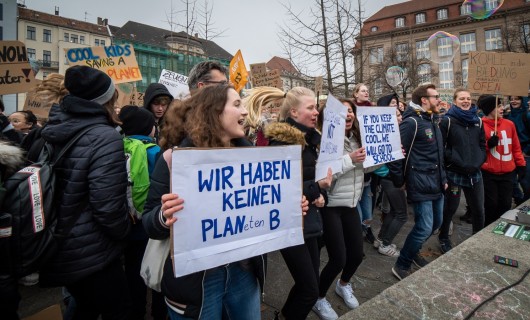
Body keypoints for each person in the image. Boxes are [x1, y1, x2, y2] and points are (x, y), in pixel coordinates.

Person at [142, 84, 265, 319]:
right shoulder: (173, 160)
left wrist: (288, 208)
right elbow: (148, 221)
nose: (245, 112)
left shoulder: (253, 160)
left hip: (243, 271)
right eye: (237, 105)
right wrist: (163, 216)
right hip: (198, 280)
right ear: (214, 112)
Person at [39, 65, 131, 318]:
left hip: (60, 241)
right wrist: (125, 232)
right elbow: (108, 207)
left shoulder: (54, 126)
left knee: (83, 307)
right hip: (93, 249)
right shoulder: (104, 136)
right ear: (106, 99)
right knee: (119, 310)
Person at [254, 86, 331, 319]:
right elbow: (283, 191)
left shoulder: (308, 141)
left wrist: (320, 196)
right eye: (310, 108)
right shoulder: (283, 145)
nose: (316, 112)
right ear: (295, 113)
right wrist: (318, 187)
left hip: (308, 222)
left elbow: (308, 181)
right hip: (290, 226)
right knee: (309, 290)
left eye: (316, 107)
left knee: (309, 284)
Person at [311, 98, 365, 320]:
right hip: (331, 206)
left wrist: (386, 155)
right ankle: (318, 298)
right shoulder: (324, 143)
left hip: (352, 204)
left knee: (357, 255)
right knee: (338, 259)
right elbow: (324, 176)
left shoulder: (357, 139)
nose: (348, 115)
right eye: (343, 112)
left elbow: (367, 168)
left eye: (351, 110)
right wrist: (349, 159)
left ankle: (343, 285)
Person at [388, 84, 447, 280]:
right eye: (435, 96)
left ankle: (413, 252)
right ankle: (402, 264)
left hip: (436, 182)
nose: (439, 100)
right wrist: (400, 180)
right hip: (419, 182)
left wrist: (444, 179)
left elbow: (438, 155)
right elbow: (395, 154)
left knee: (436, 223)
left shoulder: (432, 120)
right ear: (424, 100)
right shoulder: (411, 123)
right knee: (423, 226)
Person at [118, 105, 166, 320]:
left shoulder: (119, 145)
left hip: (127, 220)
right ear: (149, 128)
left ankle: (135, 311)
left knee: (133, 272)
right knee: (156, 270)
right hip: (150, 222)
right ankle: (158, 313)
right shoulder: (154, 151)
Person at [438, 88, 486, 253]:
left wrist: (480, 160)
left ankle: (478, 238)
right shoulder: (447, 121)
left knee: (479, 209)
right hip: (455, 173)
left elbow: (482, 144)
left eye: (468, 98)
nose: (466, 101)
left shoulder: (478, 121)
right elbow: (442, 147)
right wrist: (453, 159)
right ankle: (443, 238)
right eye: (462, 99)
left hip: (475, 172)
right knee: (450, 208)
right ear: (455, 101)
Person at [479, 95, 525, 226]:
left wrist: (521, 164)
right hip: (489, 174)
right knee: (491, 204)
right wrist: (489, 144)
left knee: (505, 204)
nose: (502, 108)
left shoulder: (509, 124)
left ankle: (502, 227)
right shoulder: (481, 125)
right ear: (489, 109)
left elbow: (516, 147)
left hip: (508, 173)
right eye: (498, 106)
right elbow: (477, 149)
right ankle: (487, 228)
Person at [373, 102, 408, 258]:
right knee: (401, 214)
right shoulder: (389, 135)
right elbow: (390, 164)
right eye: (397, 115)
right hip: (391, 179)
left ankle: (380, 239)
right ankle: (386, 245)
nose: (400, 117)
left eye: (400, 114)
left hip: (389, 178)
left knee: (394, 211)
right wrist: (399, 180)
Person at [352, 83, 377, 244]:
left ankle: (365, 231)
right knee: (359, 215)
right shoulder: (351, 112)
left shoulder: (374, 111)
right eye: (363, 90)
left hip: (368, 173)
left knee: (368, 215)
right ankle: (357, 239)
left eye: (368, 90)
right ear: (355, 94)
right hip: (355, 173)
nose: (366, 92)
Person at [505, 95, 530, 204]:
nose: (514, 101)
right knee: (511, 181)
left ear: (522, 100)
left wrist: (526, 151)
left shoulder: (527, 115)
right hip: (511, 153)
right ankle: (520, 201)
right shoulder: (508, 116)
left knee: (526, 183)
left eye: (517, 99)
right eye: (511, 99)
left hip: (525, 153)